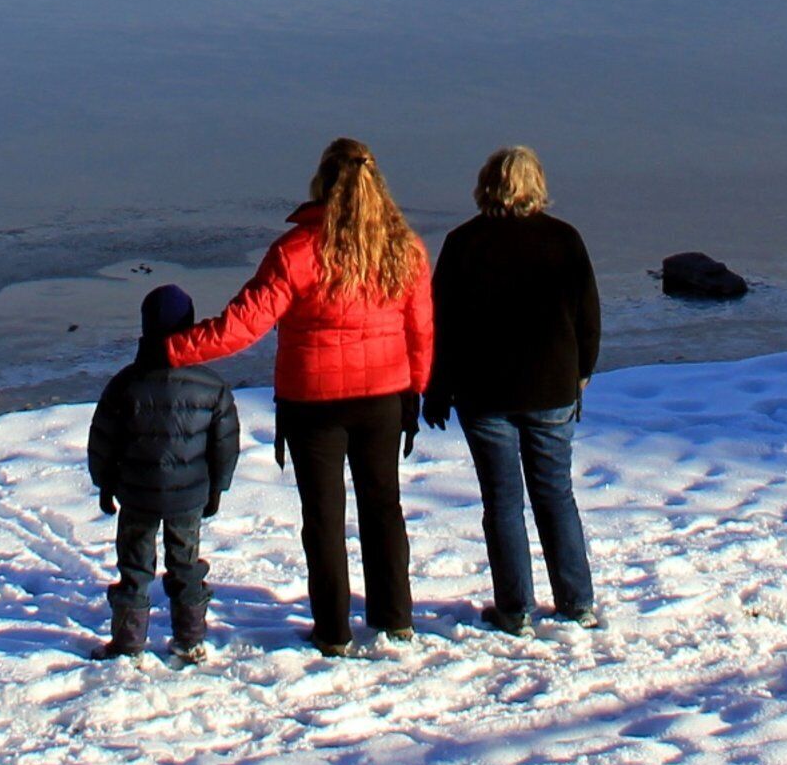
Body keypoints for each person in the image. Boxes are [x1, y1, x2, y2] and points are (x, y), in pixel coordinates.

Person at [163, 137, 435, 655]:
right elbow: (421, 328)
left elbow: (242, 326)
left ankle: (333, 631)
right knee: (384, 509)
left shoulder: (296, 253)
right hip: (383, 395)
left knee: (324, 519)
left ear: (321, 185)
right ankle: (395, 618)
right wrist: (416, 387)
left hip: (314, 403)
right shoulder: (405, 248)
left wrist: (173, 349)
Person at [424, 144, 600, 635]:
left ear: (487, 186)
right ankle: (576, 602)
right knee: (555, 496)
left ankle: (515, 608)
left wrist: (437, 387)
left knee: (502, 502)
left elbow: (442, 324)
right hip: (551, 390)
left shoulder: (463, 243)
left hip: (485, 394)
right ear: (537, 185)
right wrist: (582, 372)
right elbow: (589, 318)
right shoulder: (564, 240)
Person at [84, 282, 241, 660]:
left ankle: (128, 643)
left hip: (137, 495)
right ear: (190, 327)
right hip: (188, 495)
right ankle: (189, 640)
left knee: (135, 569)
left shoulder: (125, 384)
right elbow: (225, 443)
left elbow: (103, 440)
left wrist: (104, 484)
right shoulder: (212, 386)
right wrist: (217, 488)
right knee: (186, 565)